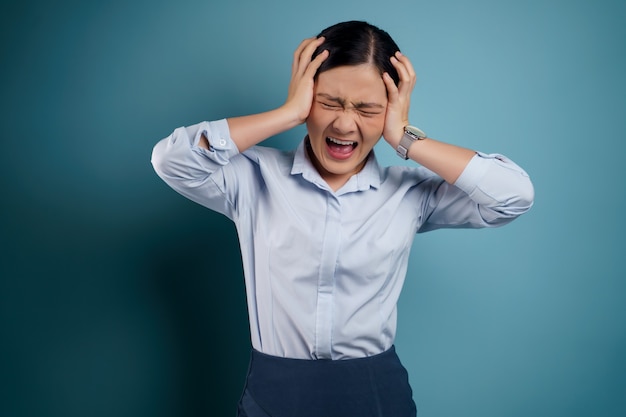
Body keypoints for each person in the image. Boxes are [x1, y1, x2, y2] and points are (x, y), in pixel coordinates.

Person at [151, 20, 534, 417]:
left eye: (367, 109)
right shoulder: (253, 178)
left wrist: (404, 137)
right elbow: (170, 159)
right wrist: (286, 114)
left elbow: (513, 195)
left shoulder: (408, 194)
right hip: (274, 394)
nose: (344, 125)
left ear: (390, 109)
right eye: (329, 102)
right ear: (307, 95)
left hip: (375, 396)